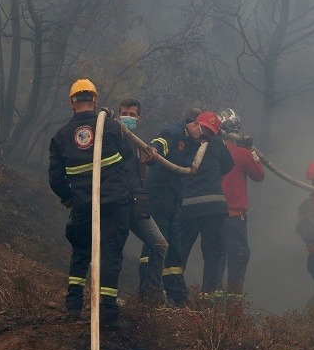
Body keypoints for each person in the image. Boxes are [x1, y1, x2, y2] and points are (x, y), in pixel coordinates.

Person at [48, 78, 132, 328]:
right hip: (114, 203)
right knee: (110, 255)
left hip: (83, 205)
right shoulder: (111, 128)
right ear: (95, 100)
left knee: (81, 252)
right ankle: (106, 313)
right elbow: (127, 156)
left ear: (71, 104)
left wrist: (70, 199)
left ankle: (73, 305)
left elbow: (55, 178)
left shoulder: (61, 136)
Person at [144, 108, 203, 307]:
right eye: (201, 129)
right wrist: (154, 152)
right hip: (158, 199)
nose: (202, 136)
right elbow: (159, 143)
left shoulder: (193, 142)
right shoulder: (173, 132)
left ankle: (178, 296)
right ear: (193, 123)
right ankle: (148, 292)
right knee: (155, 245)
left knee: (175, 250)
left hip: (173, 204)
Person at [117, 99, 169, 304]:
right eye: (124, 114)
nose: (127, 118)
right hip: (116, 202)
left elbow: (136, 175)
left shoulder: (137, 144)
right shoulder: (113, 137)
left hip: (136, 202)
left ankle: (151, 297)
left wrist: (144, 163)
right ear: (117, 115)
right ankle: (106, 299)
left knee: (159, 244)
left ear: (139, 119)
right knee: (112, 250)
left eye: (132, 115)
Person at [179, 111, 234, 300]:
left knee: (180, 250)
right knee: (213, 253)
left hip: (189, 207)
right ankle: (207, 296)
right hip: (213, 208)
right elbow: (228, 165)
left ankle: (173, 292)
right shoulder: (217, 141)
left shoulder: (184, 141)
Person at [216, 109, 264, 298]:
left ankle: (210, 310)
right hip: (235, 218)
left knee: (216, 261)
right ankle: (234, 314)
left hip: (214, 217)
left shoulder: (209, 151)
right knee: (238, 259)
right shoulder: (242, 153)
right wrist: (251, 149)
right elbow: (259, 175)